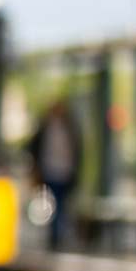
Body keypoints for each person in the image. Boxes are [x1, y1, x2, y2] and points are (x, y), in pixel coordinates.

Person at [27, 97, 82, 251]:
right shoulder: (45, 128)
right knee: (54, 204)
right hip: (50, 172)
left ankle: (58, 235)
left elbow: (77, 151)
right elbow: (35, 148)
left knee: (62, 204)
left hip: (65, 172)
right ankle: (56, 236)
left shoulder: (70, 129)